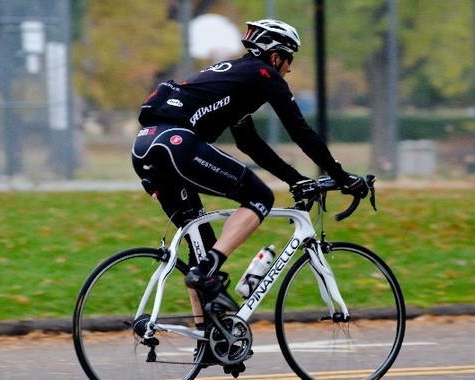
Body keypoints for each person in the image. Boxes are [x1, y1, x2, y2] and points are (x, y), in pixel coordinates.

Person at [132, 19, 368, 308]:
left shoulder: (235, 81)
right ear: (276, 56)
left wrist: (295, 179)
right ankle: (206, 271)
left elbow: (250, 144)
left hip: (145, 147)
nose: (289, 69)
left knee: (201, 251)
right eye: (289, 59)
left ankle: (207, 347)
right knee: (259, 197)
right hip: (175, 144)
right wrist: (341, 176)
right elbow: (300, 131)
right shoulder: (263, 74)